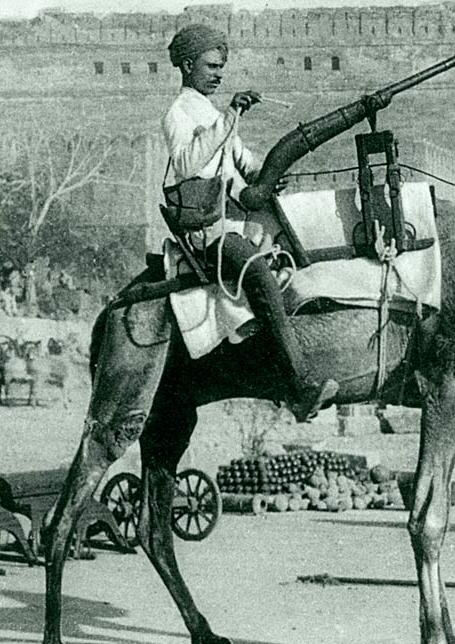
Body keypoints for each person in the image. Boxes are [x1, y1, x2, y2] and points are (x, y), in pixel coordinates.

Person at [162, 24, 337, 422]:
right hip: (207, 233)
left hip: (232, 224)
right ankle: (297, 385)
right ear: (188, 66)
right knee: (258, 275)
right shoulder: (177, 113)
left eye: (221, 67)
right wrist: (231, 115)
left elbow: (244, 163)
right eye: (211, 66)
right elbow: (187, 164)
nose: (218, 74)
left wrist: (270, 174)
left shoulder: (209, 111)